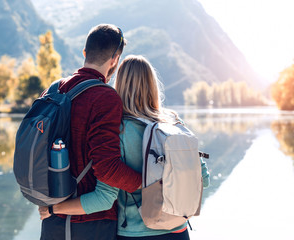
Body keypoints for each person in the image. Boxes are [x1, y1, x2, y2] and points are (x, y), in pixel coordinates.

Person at [40, 55, 210, 240]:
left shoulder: (117, 130)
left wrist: (54, 208)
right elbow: (204, 180)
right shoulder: (174, 122)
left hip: (136, 233)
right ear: (152, 85)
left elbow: (103, 199)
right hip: (179, 230)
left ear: (119, 85)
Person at [39, 24, 142, 240]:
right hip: (91, 222)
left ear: (84, 53)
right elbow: (107, 169)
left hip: (51, 217)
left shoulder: (53, 89)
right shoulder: (105, 97)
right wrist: (145, 183)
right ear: (115, 59)